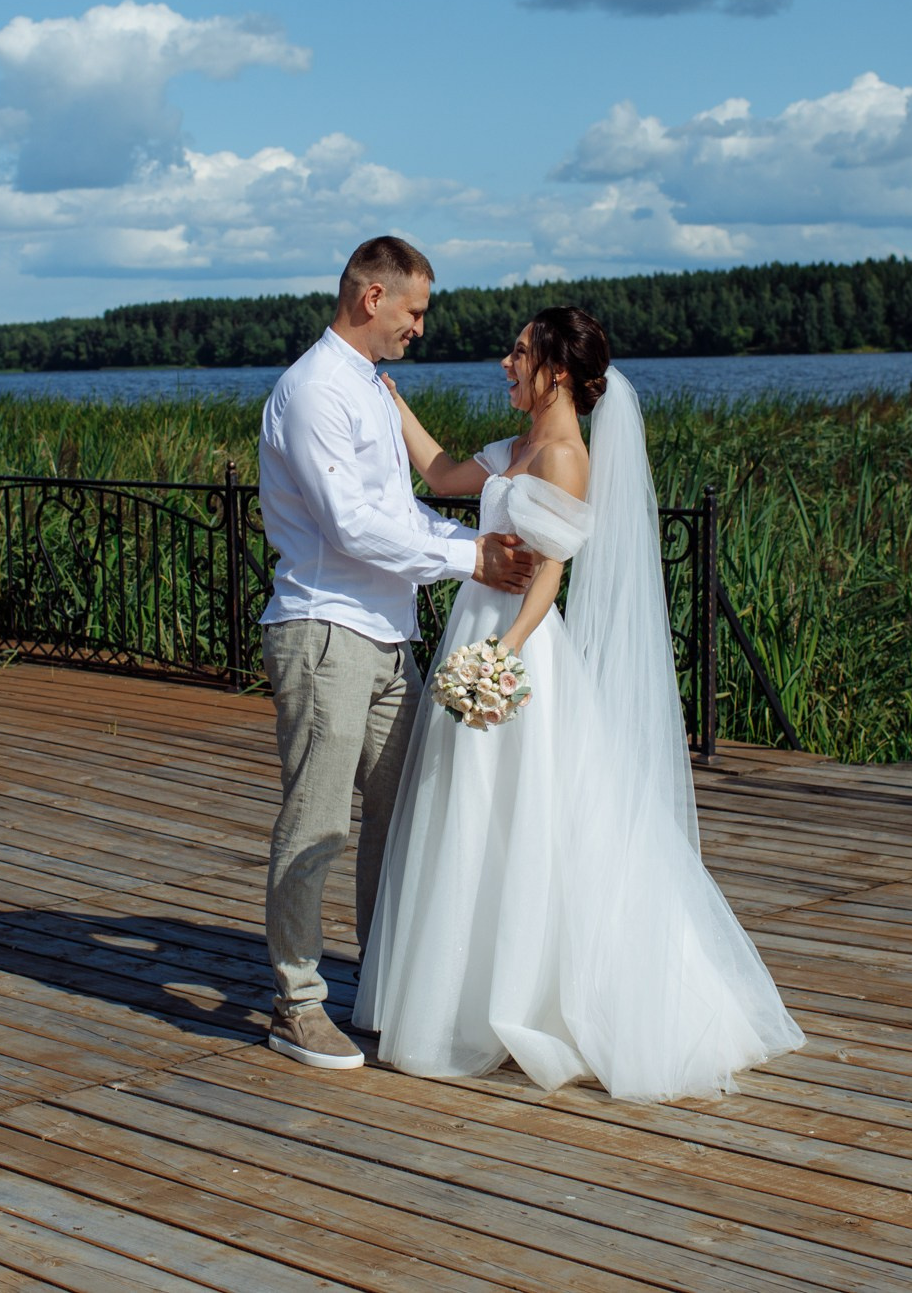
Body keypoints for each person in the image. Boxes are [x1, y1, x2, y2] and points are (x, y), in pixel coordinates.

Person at [356, 305, 805, 1101]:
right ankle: (461, 986)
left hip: (518, 648)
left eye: (519, 352)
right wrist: (391, 403)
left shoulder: (564, 456)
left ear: (556, 370)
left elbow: (549, 576)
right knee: (467, 813)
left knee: (525, 814)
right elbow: (440, 475)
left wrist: (500, 658)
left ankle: (528, 996)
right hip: (479, 631)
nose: (505, 361)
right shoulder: (518, 446)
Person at [255, 235, 538, 1070]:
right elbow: (349, 524)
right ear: (372, 297)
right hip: (324, 630)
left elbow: (402, 510)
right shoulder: (312, 392)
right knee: (317, 822)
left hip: (387, 636)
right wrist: (470, 557)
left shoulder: (372, 391)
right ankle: (296, 1002)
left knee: (398, 820)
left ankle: (380, 985)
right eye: (414, 310)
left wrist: (469, 538)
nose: (421, 327)